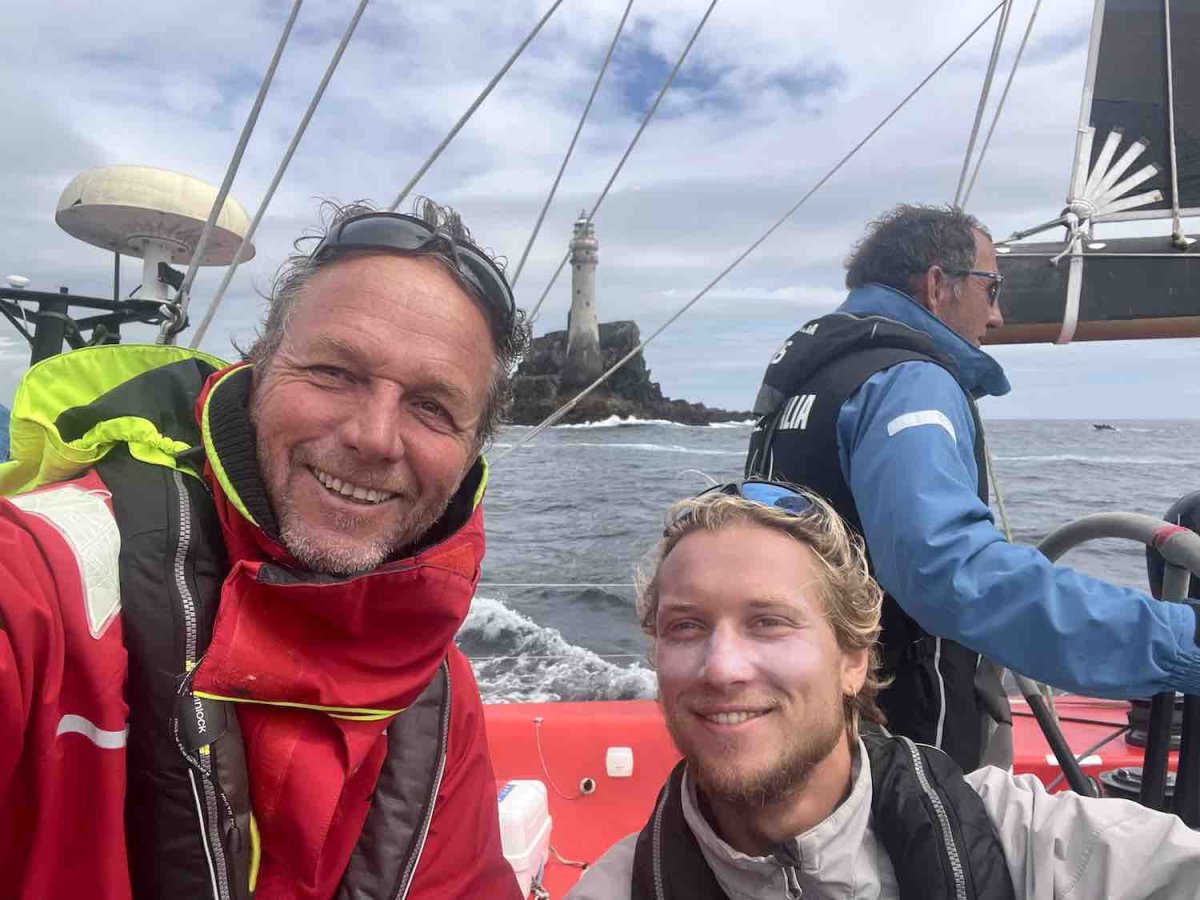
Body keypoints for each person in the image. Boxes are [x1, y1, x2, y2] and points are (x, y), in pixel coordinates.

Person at [0, 200, 530, 899]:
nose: (374, 437)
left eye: (432, 406)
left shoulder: (437, 688)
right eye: (335, 372)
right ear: (258, 369)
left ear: (471, 453)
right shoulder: (53, 579)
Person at [568, 481, 1200, 899]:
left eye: (769, 622)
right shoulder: (616, 888)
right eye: (686, 626)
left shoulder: (1023, 846)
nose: (721, 667)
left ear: (853, 658)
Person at [744, 204, 1200, 771]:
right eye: (993, 288)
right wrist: (1180, 640)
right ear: (939, 285)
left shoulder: (808, 377)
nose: (1000, 316)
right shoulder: (909, 382)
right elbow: (950, 573)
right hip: (898, 744)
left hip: (814, 720)